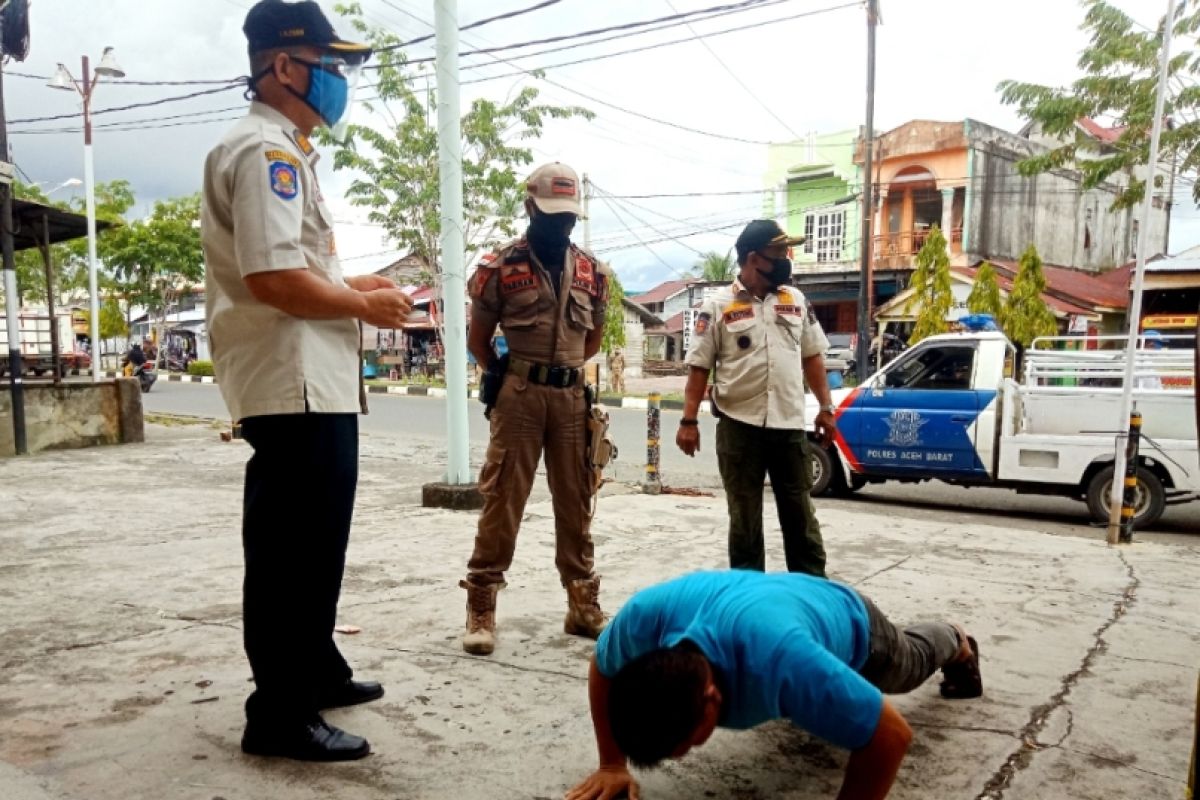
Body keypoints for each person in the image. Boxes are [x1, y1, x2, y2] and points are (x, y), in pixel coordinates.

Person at [201, 0, 413, 762]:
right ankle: (279, 715)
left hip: (308, 383)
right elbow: (273, 279)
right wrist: (364, 303)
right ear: (284, 65)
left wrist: (356, 285)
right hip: (292, 386)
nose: (339, 81)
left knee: (316, 543)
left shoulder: (282, 149)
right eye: (330, 66)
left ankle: (315, 669)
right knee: (294, 553)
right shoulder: (267, 154)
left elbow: (300, 266)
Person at [566, 570, 983, 800]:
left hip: (852, 624)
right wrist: (611, 764)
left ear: (712, 698)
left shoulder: (779, 660)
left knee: (909, 663)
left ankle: (956, 639)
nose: (690, 752)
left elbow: (890, 735)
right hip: (772, 600)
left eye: (691, 744)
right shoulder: (645, 619)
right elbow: (603, 667)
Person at [460, 162, 610, 656]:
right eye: (551, 215)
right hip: (519, 397)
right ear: (530, 208)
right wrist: (506, 376)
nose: (560, 225)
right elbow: (478, 340)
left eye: (568, 217)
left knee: (577, 503)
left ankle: (582, 605)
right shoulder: (498, 268)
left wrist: (562, 372)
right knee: (503, 500)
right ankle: (482, 603)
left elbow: (591, 341)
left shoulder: (592, 270)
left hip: (570, 399)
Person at [677, 220, 836, 577]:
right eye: (779, 253)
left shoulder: (794, 301)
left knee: (801, 519)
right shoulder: (717, 306)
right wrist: (688, 421)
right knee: (745, 522)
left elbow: (813, 356)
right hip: (739, 429)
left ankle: (813, 595)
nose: (785, 260)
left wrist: (826, 409)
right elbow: (699, 368)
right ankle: (749, 604)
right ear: (754, 258)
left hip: (789, 427)